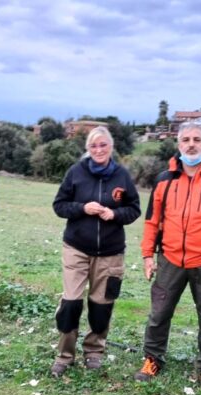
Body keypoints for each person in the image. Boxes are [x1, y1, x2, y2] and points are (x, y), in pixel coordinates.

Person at [134, 122, 201, 385]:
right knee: (159, 314)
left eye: (197, 139)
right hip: (169, 259)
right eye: (185, 140)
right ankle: (153, 359)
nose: (191, 144)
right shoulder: (165, 180)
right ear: (178, 144)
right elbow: (152, 221)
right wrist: (148, 255)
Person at [50, 126, 141, 377]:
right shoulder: (76, 173)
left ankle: (94, 352)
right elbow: (59, 206)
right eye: (93, 146)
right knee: (71, 303)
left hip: (111, 253)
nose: (99, 150)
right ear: (87, 149)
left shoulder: (122, 176)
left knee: (102, 306)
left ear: (111, 147)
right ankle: (65, 356)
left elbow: (134, 209)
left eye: (103, 145)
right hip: (76, 249)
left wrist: (114, 214)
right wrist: (82, 208)